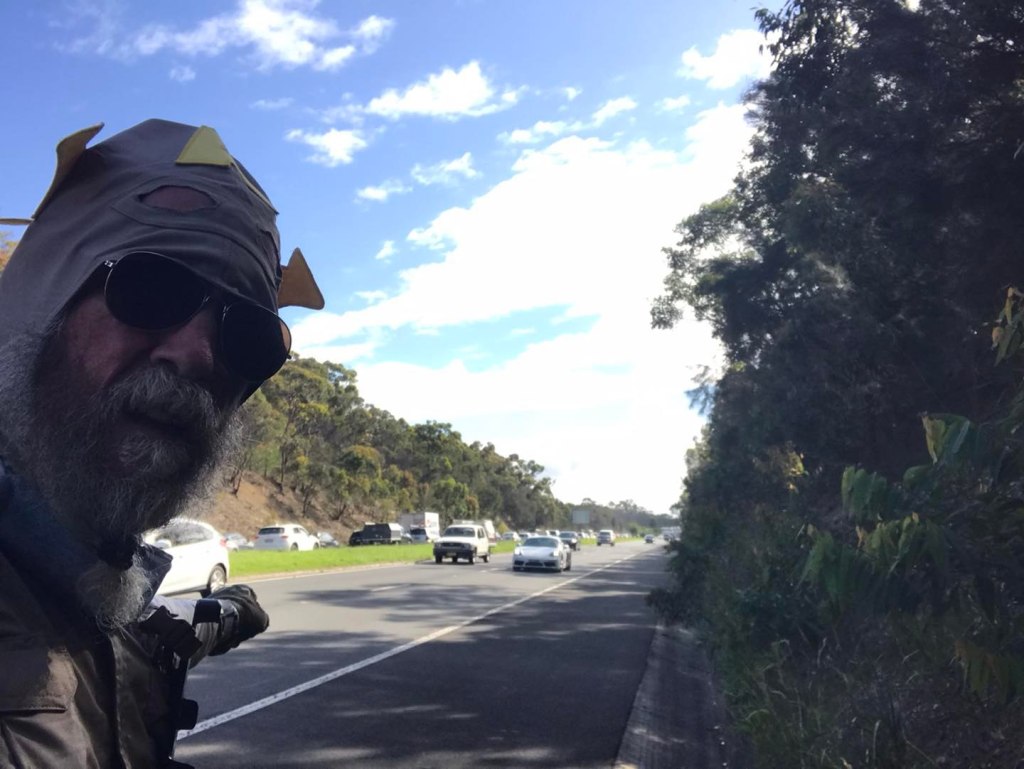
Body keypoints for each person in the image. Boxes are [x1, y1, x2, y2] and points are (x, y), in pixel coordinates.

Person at [0, 119, 323, 768]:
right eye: (153, 290)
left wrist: (227, 614)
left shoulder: (104, 588)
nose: (200, 354)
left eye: (247, 337)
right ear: (39, 301)